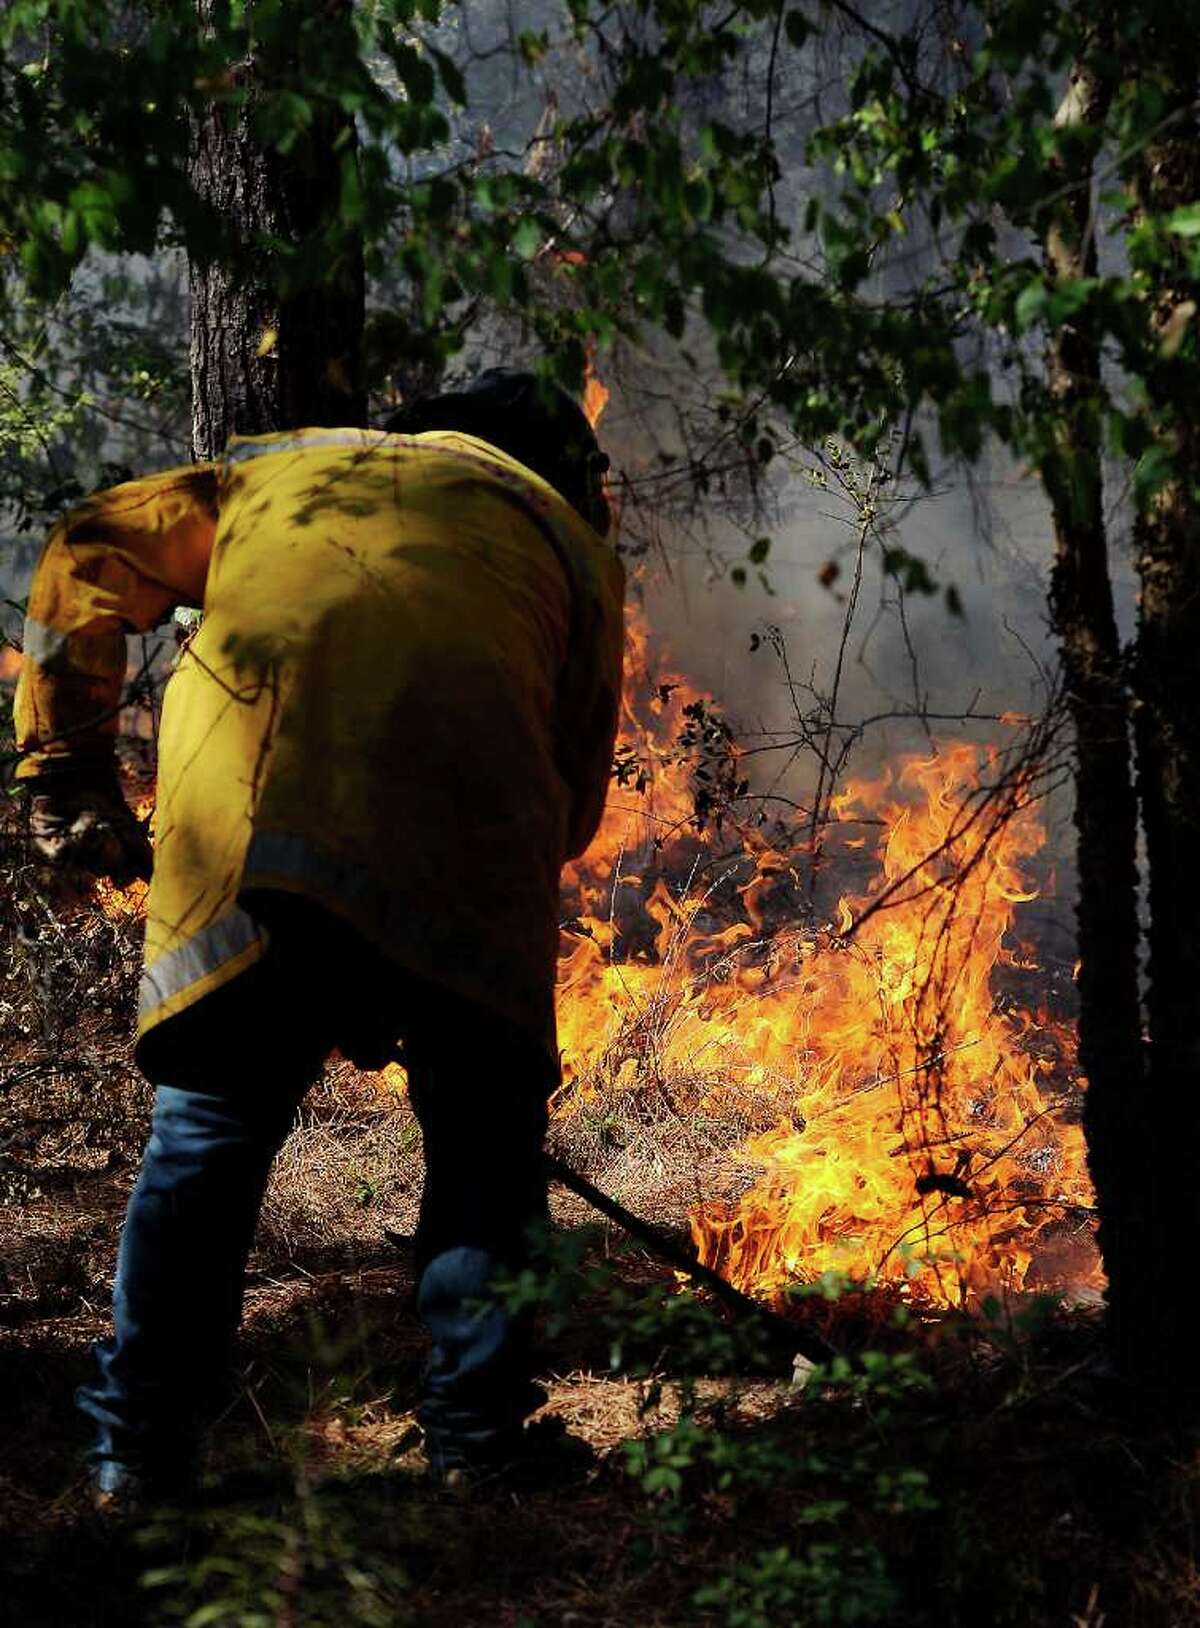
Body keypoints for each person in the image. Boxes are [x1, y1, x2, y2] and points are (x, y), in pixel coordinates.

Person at [13, 369, 625, 1501]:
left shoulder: (274, 473)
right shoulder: (567, 543)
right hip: (471, 843)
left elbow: (90, 546)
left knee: (208, 1139)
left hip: (250, 828)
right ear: (567, 476)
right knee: (485, 1143)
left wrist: (67, 763)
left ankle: (137, 1456)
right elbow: (577, 804)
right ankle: (479, 1449)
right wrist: (432, 947)